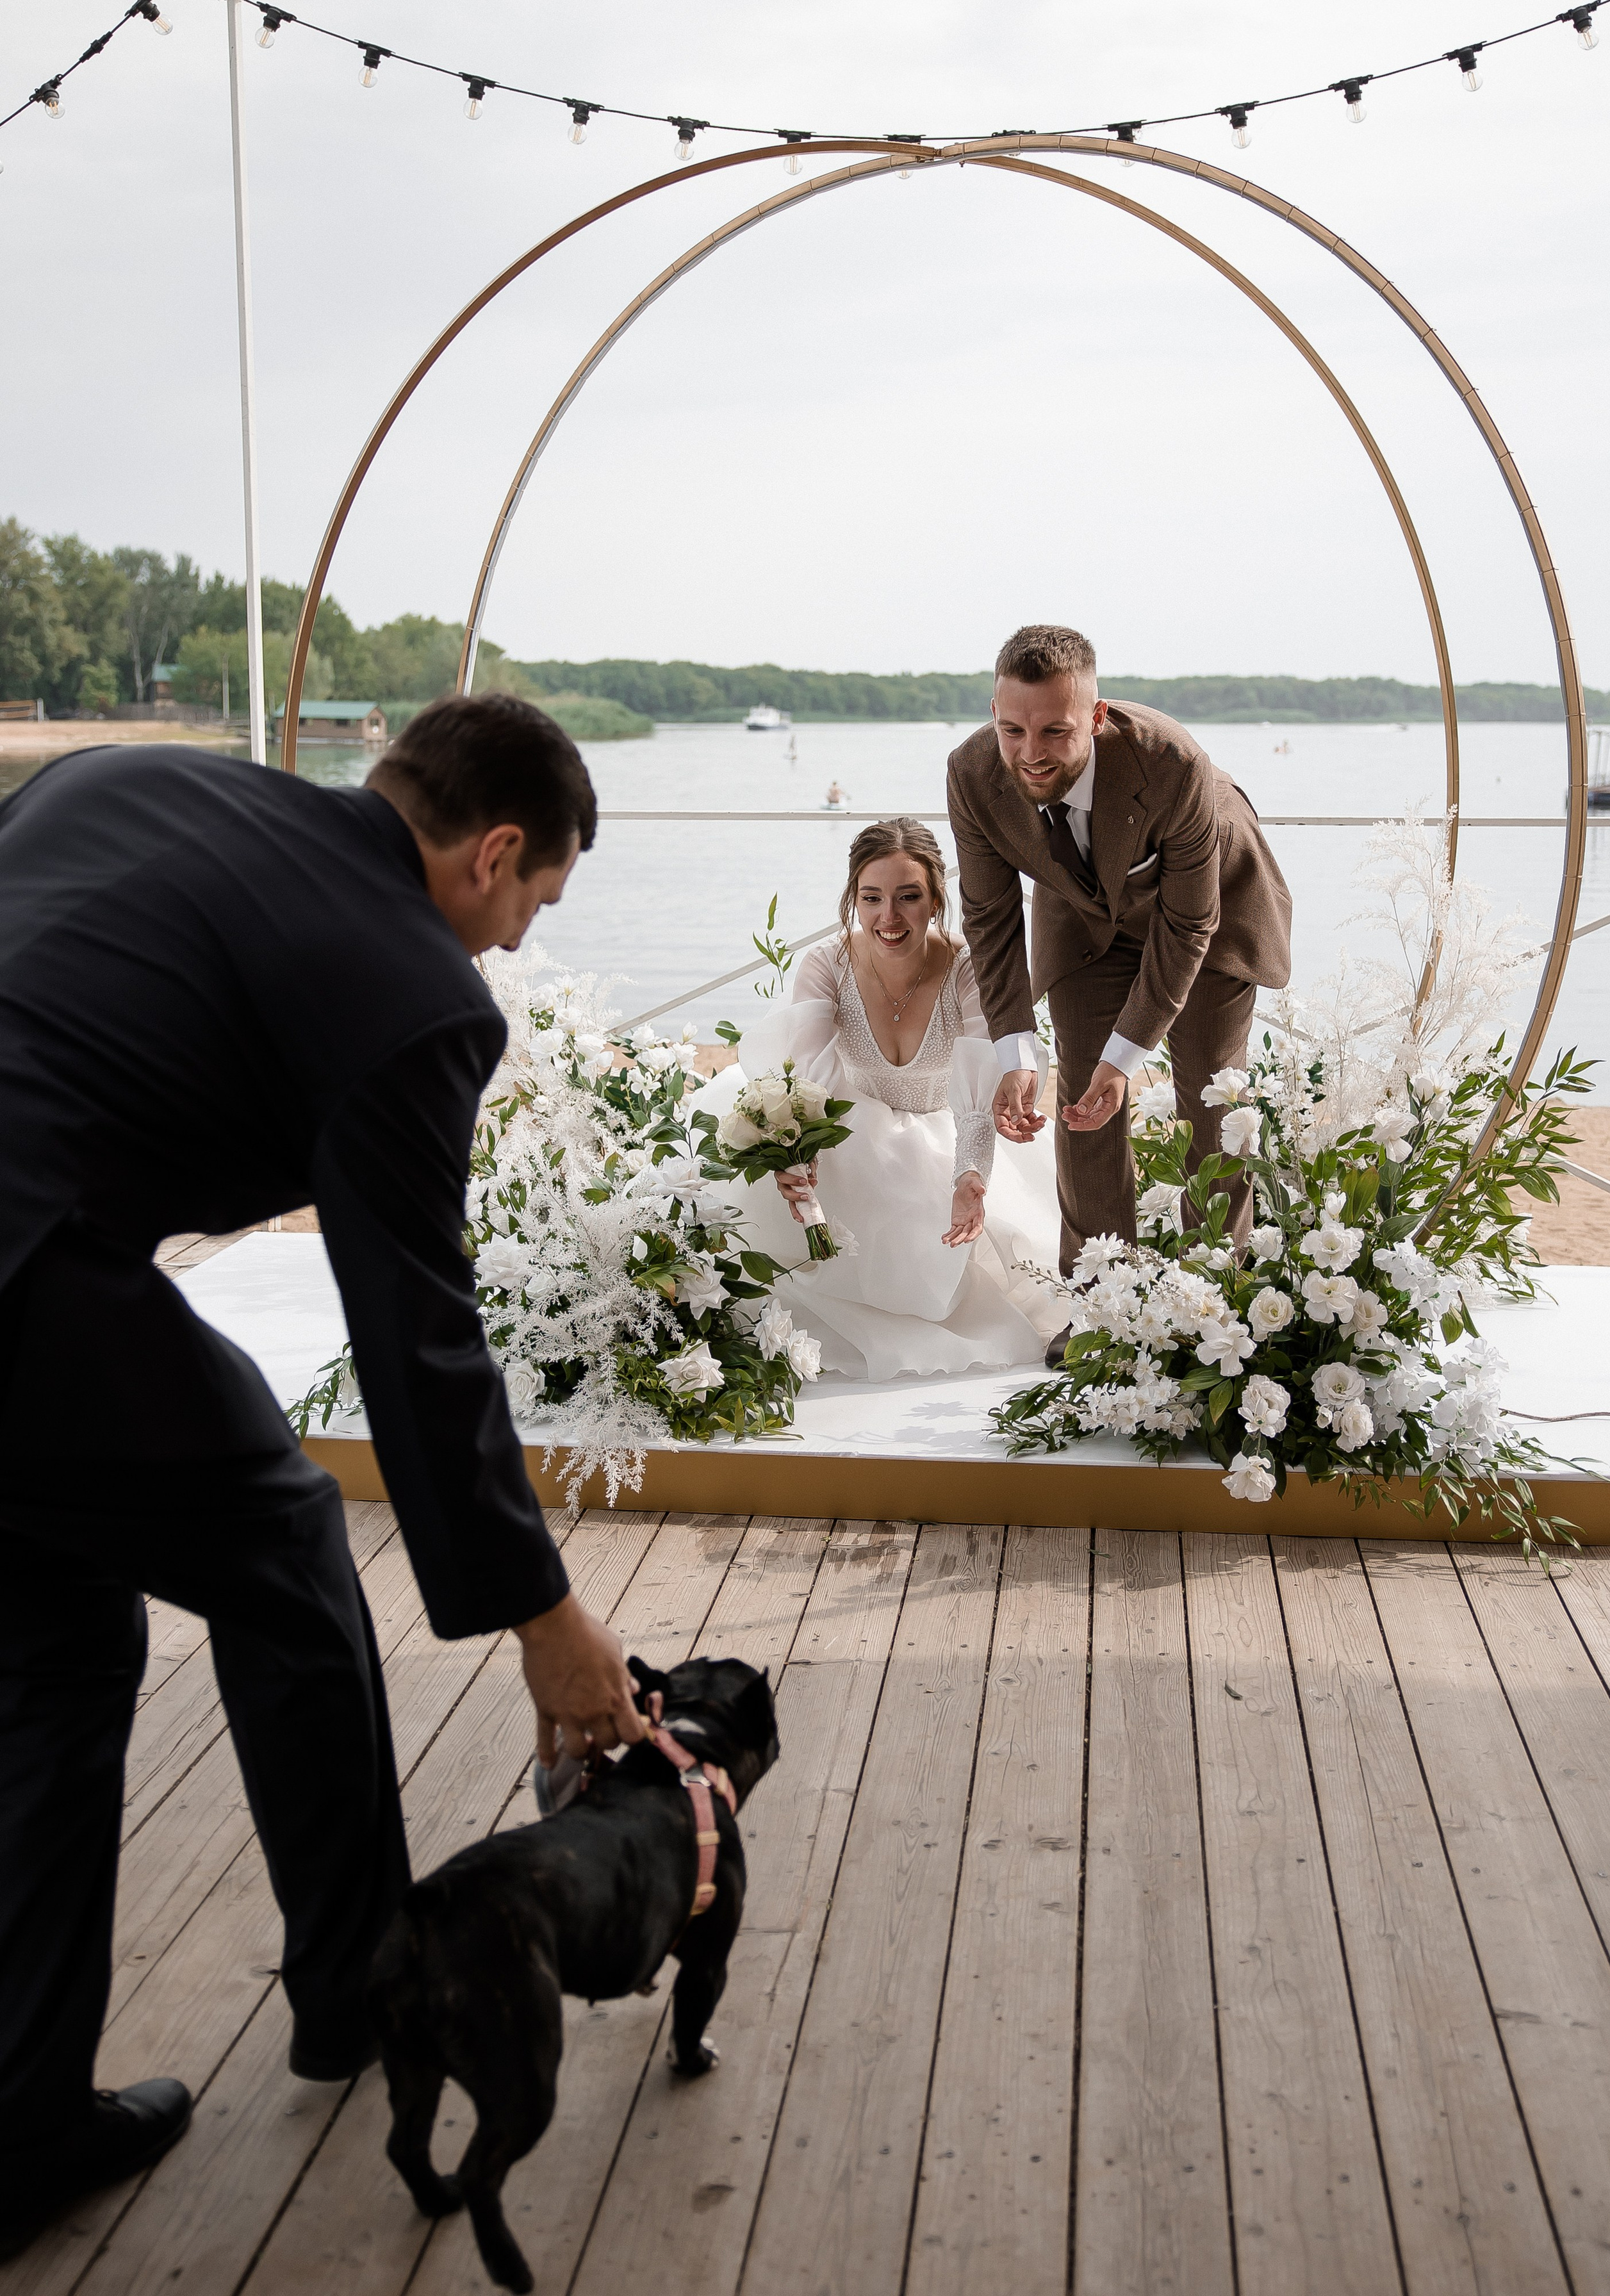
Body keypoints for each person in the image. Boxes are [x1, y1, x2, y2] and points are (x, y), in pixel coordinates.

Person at [0, 693, 646, 2260]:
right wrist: (546, 1618)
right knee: (284, 1544)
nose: (500, 954)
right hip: (23, 1271)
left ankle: (18, 2129)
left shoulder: (125, 782)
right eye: (527, 913)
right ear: (494, 854)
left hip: (41, 1249)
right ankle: (362, 1984)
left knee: (59, 1642)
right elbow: (417, 1335)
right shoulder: (413, 988)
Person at [947, 625, 1292, 1363]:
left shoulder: (1173, 763)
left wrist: (1128, 1055)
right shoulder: (973, 773)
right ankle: (1102, 1305)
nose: (1029, 751)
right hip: (1084, 916)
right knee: (1081, 1097)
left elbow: (1188, 923)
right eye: (1012, 728)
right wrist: (1015, 1047)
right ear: (993, 713)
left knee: (1213, 1097)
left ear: (1096, 718)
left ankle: (1212, 1300)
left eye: (1054, 730)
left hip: (1211, 912)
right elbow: (989, 917)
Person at [693, 819, 1060, 1380]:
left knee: (942, 1234)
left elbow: (976, 1089)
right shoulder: (827, 964)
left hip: (948, 1130)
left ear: (936, 899)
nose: (889, 918)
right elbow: (804, 1079)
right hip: (848, 1124)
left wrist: (970, 1177)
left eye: (908, 897)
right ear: (853, 899)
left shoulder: (968, 968)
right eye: (872, 898)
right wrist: (799, 1158)